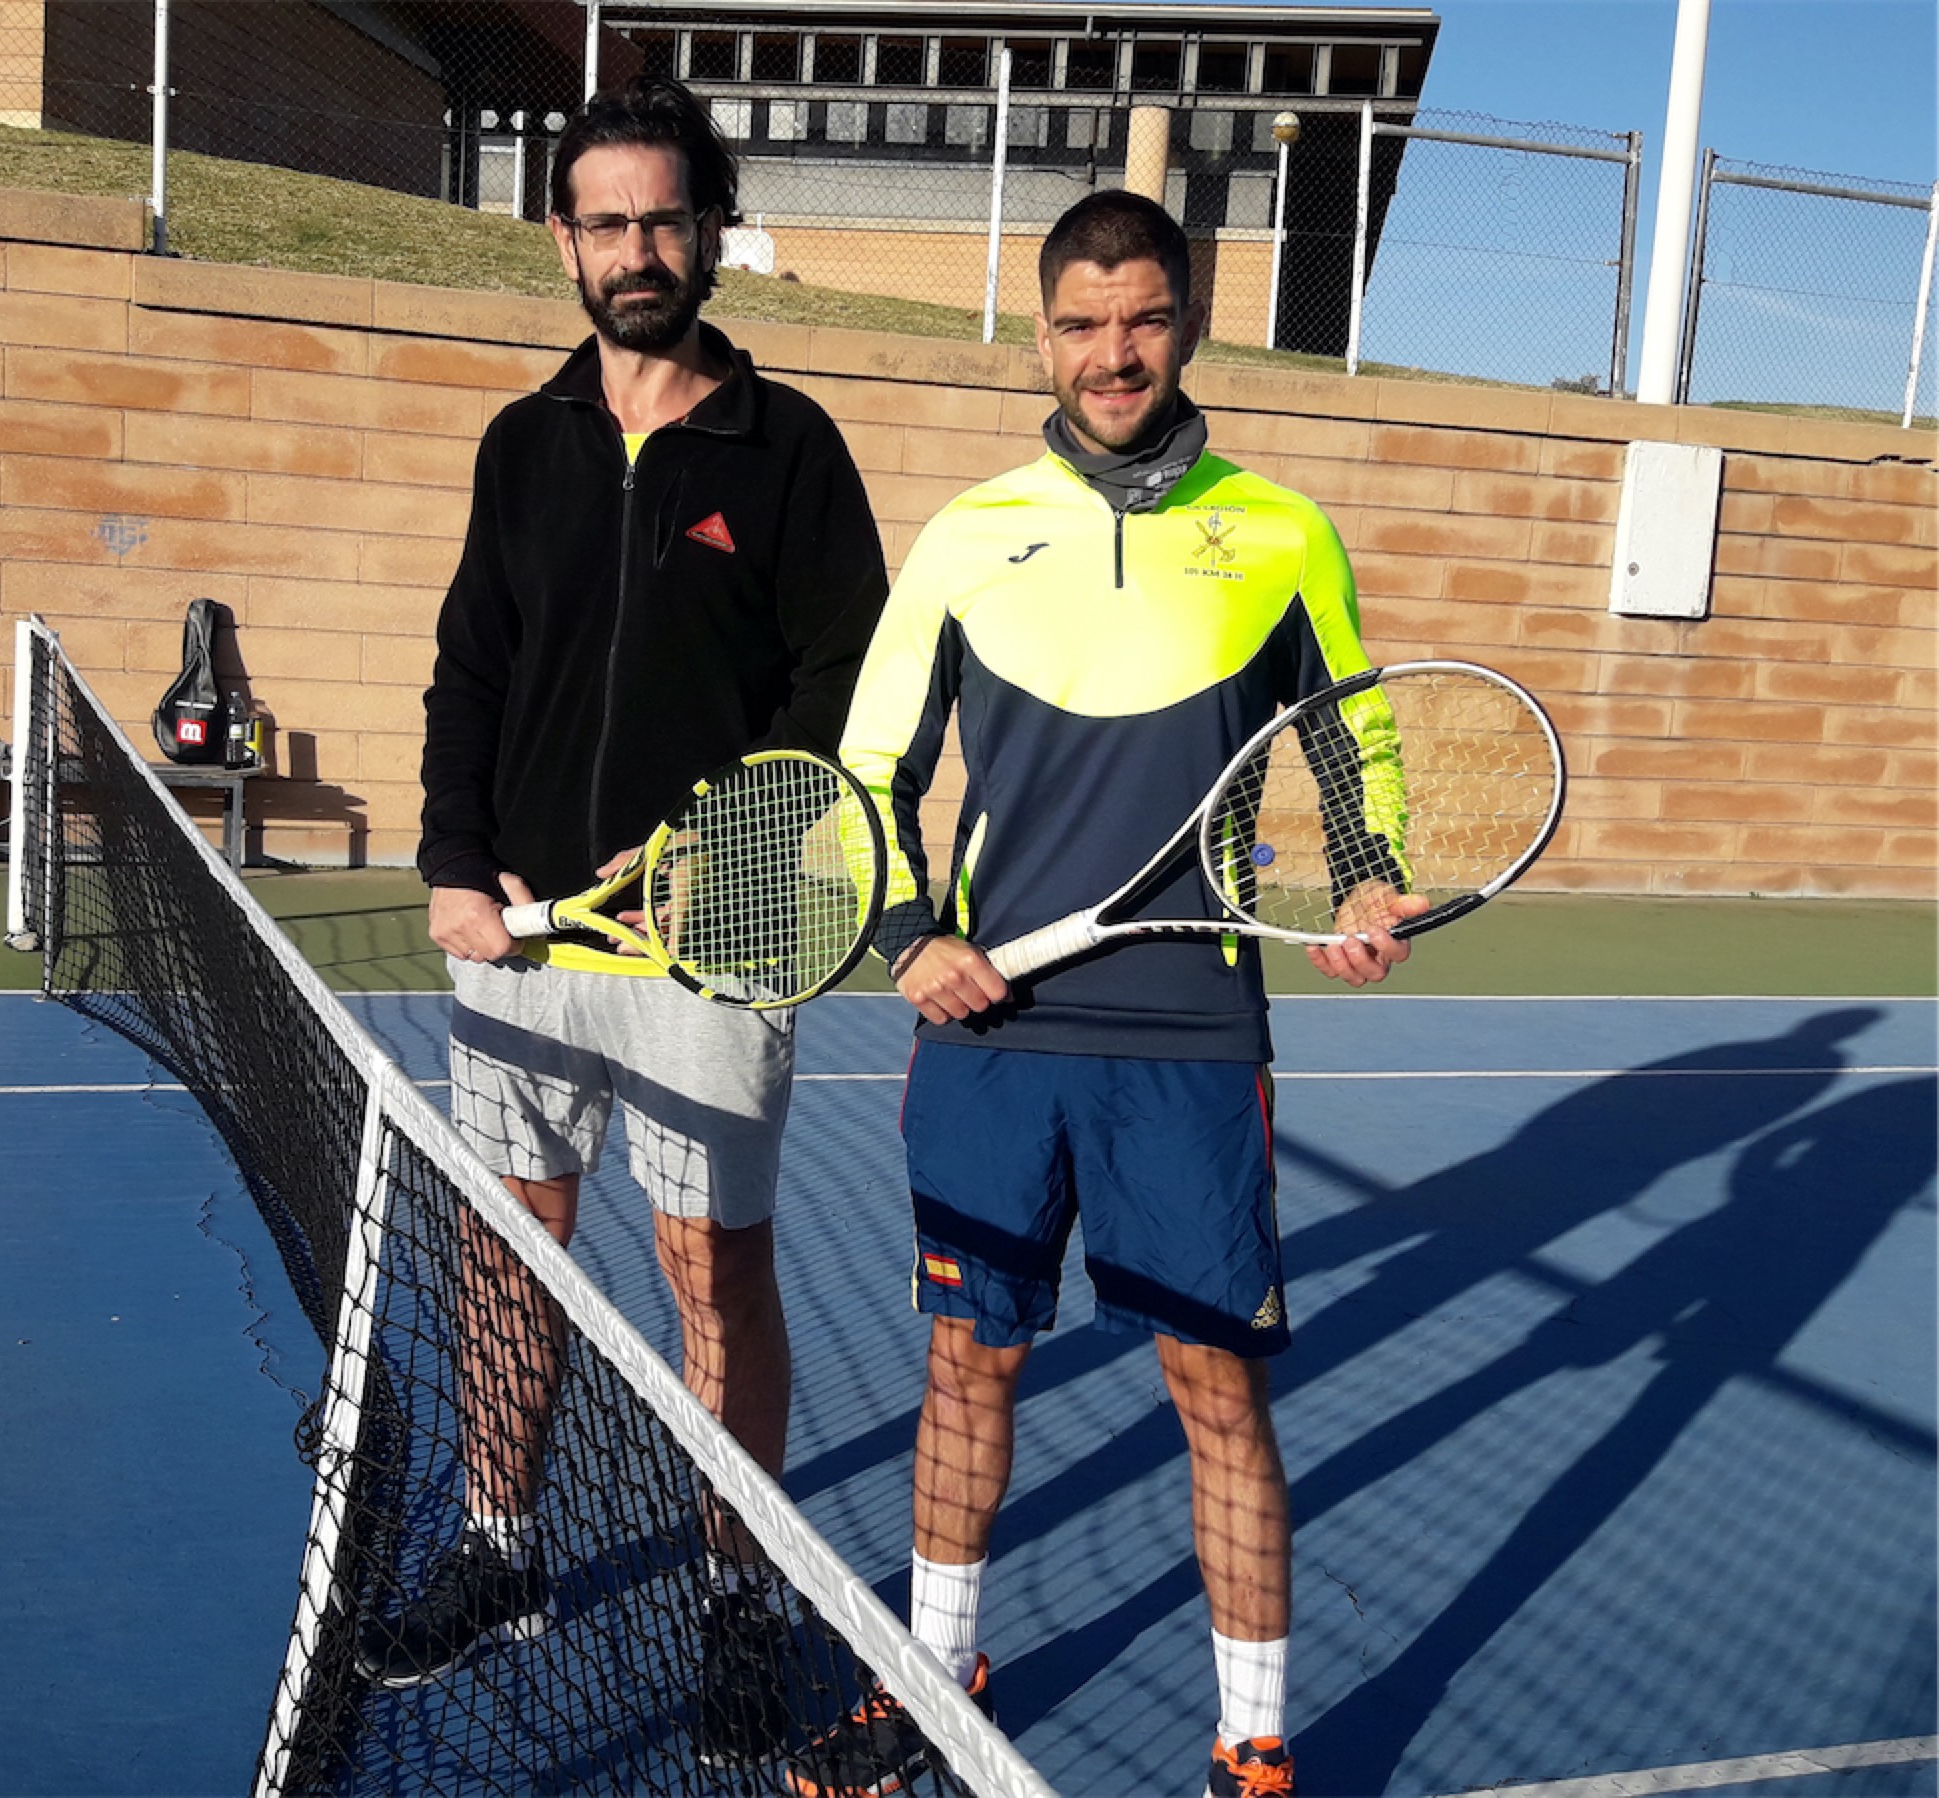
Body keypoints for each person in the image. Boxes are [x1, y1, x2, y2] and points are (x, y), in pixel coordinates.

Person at [791, 191, 1421, 1798]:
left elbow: (1350, 735)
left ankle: (1253, 1741)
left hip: (1189, 1038)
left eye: (1141, 318)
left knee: (1215, 1390)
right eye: (1080, 322)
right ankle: (931, 1674)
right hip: (991, 1035)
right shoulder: (967, 534)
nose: (1112, 352)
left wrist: (1369, 877)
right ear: (1040, 336)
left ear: (1187, 324)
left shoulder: (1281, 533)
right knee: (968, 1365)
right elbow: (868, 766)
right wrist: (906, 930)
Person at [383, 75, 889, 1771]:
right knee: (507, 1247)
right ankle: (500, 1545)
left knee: (713, 1275)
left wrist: (731, 859)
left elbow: (842, 686)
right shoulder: (521, 443)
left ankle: (738, 1590)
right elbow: (471, 666)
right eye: (606, 223)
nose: (637, 251)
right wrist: (456, 863)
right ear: (564, 242)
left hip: (710, 946)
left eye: (664, 219)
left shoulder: (788, 448)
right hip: (528, 935)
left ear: (711, 228)